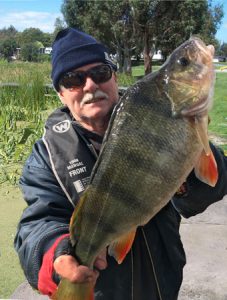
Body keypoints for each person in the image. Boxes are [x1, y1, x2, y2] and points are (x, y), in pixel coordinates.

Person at [14, 27, 227, 300]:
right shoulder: (46, 157)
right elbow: (37, 224)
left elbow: (213, 185)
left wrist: (182, 179)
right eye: (73, 79)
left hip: (163, 288)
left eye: (100, 73)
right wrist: (57, 255)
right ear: (61, 94)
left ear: (114, 77)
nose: (90, 85)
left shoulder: (152, 112)